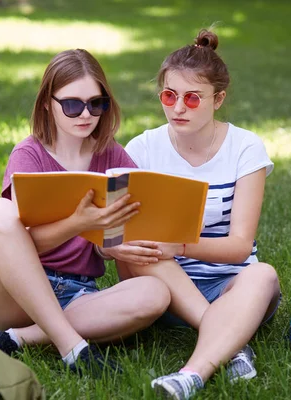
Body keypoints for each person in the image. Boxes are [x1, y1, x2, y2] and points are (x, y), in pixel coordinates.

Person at [0, 49, 171, 375]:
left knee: (155, 293)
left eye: (96, 103)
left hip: (77, 295)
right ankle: (74, 349)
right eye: (72, 104)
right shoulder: (29, 155)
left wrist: (109, 244)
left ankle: (18, 340)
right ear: (48, 105)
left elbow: (126, 228)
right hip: (14, 296)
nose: (85, 114)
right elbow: (20, 245)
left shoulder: (111, 155)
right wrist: (79, 223)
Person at [111, 29, 281, 398]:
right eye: (169, 96)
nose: (178, 108)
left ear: (218, 99)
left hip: (233, 290)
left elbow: (239, 247)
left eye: (192, 98)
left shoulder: (245, 147)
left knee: (263, 274)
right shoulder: (143, 148)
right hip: (165, 289)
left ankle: (191, 375)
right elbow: (119, 234)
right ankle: (231, 342)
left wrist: (180, 246)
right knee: (145, 250)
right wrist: (143, 249)